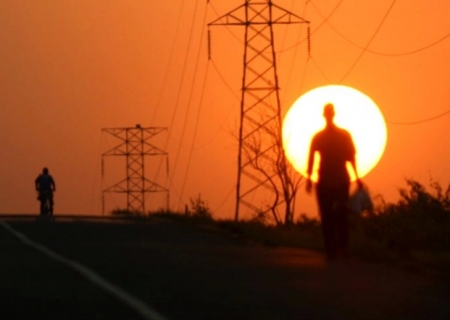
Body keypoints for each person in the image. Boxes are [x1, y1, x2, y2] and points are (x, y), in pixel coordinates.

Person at [306, 103, 361, 260]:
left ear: (326, 115)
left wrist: (357, 177)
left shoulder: (328, 136)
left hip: (335, 180)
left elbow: (351, 157)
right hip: (330, 180)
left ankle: (336, 249)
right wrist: (309, 179)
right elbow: (351, 158)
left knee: (334, 215)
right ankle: (336, 249)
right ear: (331, 115)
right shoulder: (336, 135)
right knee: (334, 215)